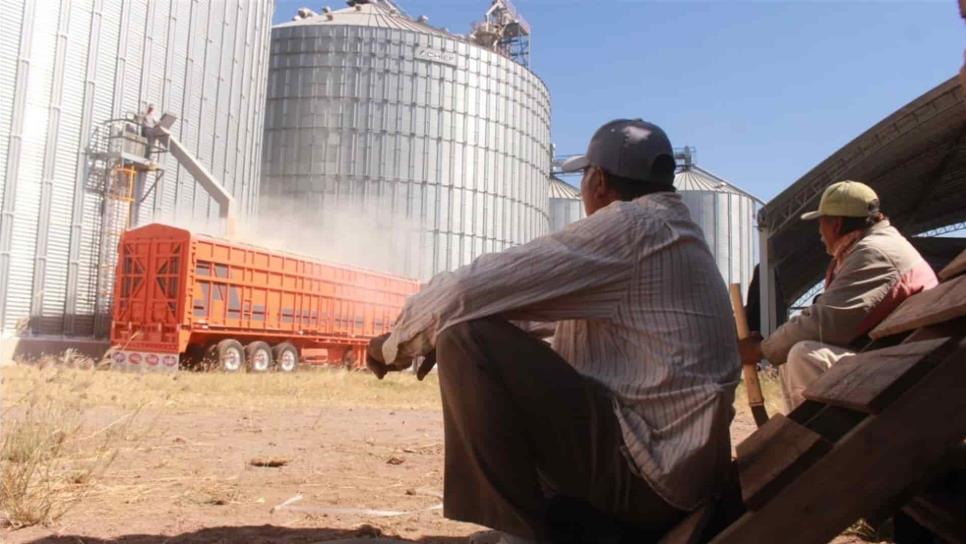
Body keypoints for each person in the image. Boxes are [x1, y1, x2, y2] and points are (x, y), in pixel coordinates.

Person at [366, 119, 740, 542]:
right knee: (466, 329)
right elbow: (530, 315)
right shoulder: (670, 232)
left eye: (583, 175)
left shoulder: (631, 228)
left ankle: (523, 534)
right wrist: (450, 322)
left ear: (598, 180)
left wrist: (393, 345)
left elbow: (464, 290)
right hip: (679, 475)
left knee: (465, 340)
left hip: (651, 479)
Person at [738, 181, 938, 411]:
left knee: (805, 355)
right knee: (795, 352)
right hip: (906, 357)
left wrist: (760, 350)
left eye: (820, 223)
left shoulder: (873, 253)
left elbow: (824, 323)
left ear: (835, 224)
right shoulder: (871, 247)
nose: (819, 232)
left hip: (910, 367)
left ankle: (814, 440)